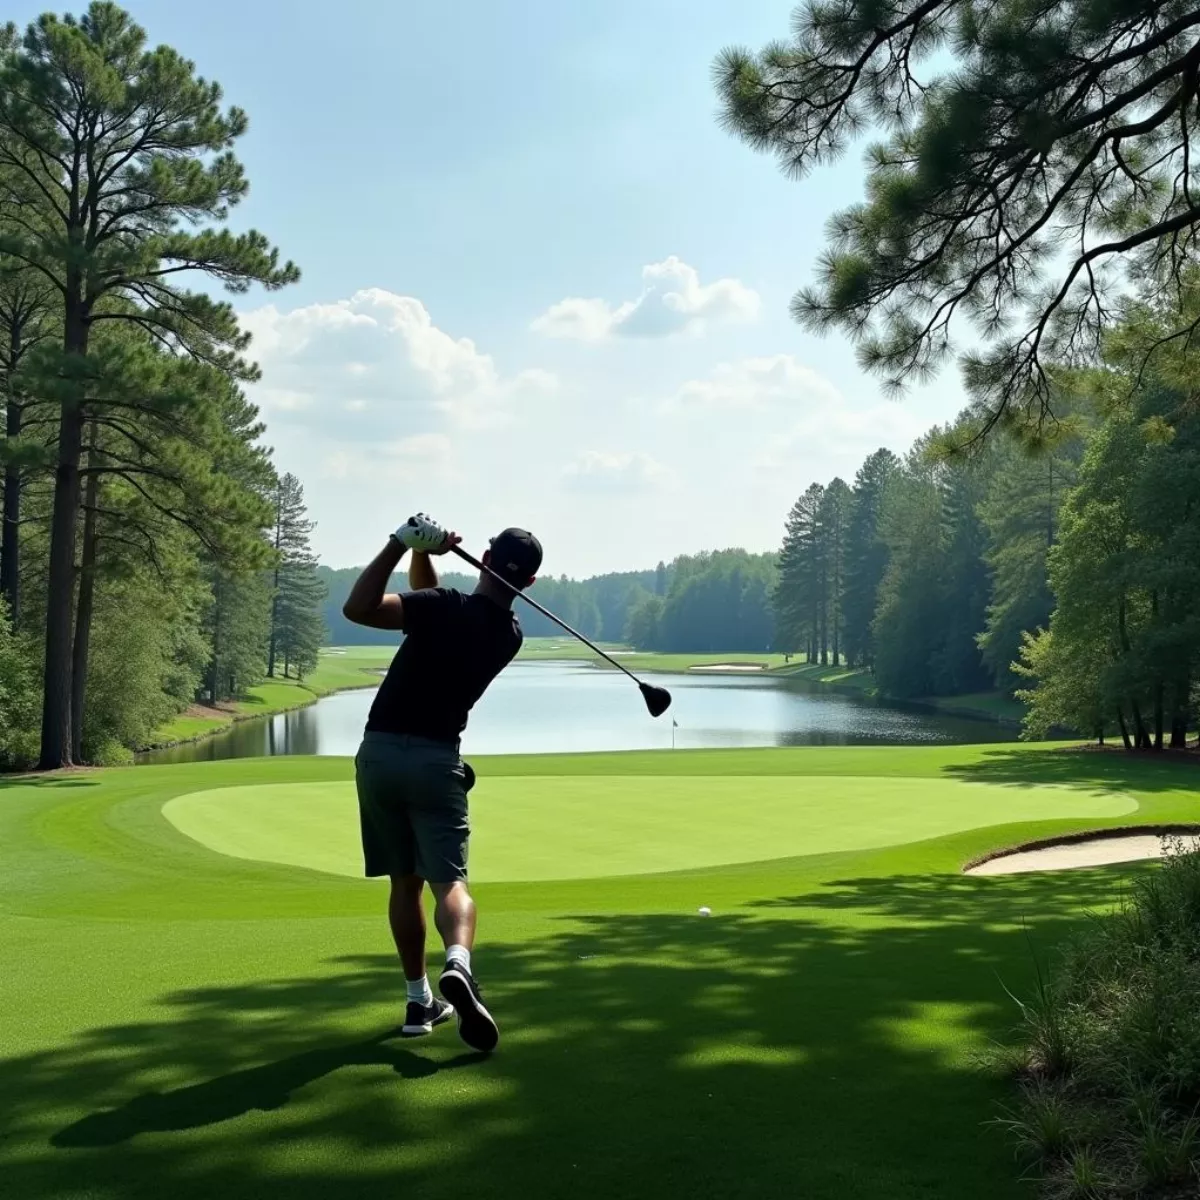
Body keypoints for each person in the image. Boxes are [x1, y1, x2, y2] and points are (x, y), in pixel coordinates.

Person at [342, 513, 542, 1054]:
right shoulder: (509, 635)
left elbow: (358, 609)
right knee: (449, 882)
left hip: (380, 755)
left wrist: (398, 544)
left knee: (402, 883)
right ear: (527, 584)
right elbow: (434, 605)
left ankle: (418, 999)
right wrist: (425, 554)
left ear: (484, 558)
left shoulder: (444, 608)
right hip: (436, 763)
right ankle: (459, 964)